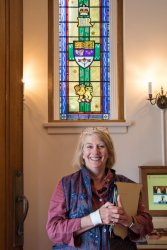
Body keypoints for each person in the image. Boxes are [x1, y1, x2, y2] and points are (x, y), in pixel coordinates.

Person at [46, 127, 153, 249]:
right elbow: (53, 230)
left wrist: (129, 221)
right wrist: (96, 218)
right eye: (89, 146)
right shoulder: (66, 185)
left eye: (101, 146)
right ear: (82, 153)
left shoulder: (128, 185)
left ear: (109, 152)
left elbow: (148, 226)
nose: (95, 152)